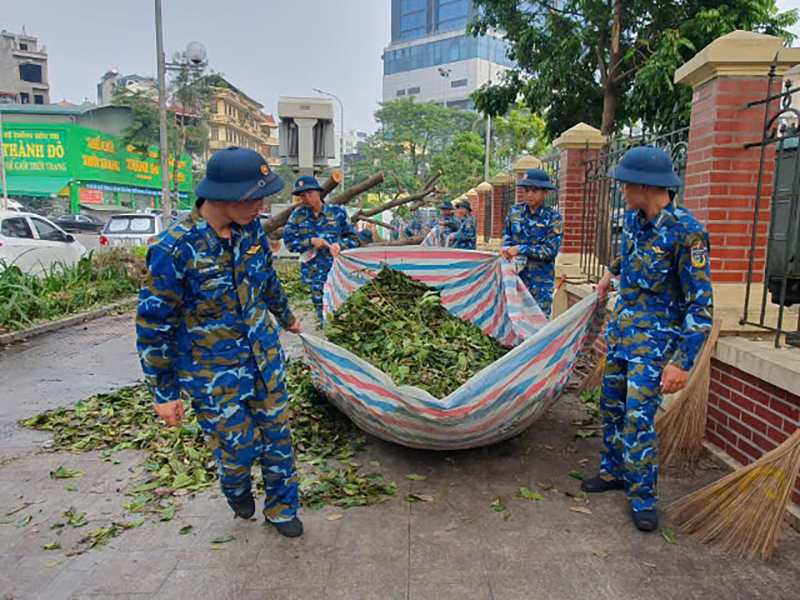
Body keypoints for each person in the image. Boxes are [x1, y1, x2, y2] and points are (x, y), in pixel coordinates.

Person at [136, 147, 304, 538]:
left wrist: (287, 317)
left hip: (264, 359)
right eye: (256, 196)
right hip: (212, 374)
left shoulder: (251, 234)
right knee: (239, 449)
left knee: (278, 439)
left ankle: (282, 509)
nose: (263, 206)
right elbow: (153, 325)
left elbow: (267, 282)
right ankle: (235, 486)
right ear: (223, 194)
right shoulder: (174, 248)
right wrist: (164, 393)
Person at [583, 146, 714, 532]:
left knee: (638, 420)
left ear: (645, 184)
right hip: (624, 337)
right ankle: (614, 472)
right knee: (611, 409)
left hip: (655, 349)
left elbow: (701, 306)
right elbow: (629, 258)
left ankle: (643, 497)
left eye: (625, 184)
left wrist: (681, 362)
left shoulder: (687, 233)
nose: (621, 190)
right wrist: (608, 276)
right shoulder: (637, 220)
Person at [283, 176, 360, 322]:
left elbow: (354, 239)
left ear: (318, 192)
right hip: (314, 274)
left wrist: (340, 245)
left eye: (310, 193)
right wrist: (310, 241)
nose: (307, 198)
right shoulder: (297, 216)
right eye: (303, 195)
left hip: (338, 272)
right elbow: (289, 243)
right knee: (322, 314)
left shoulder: (337, 213)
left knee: (343, 311)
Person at [500, 169, 563, 318]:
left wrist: (521, 249)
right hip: (515, 279)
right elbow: (507, 235)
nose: (529, 195)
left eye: (535, 191)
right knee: (513, 320)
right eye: (526, 190)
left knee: (538, 324)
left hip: (539, 283)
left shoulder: (554, 218)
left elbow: (550, 251)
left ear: (545, 192)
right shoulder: (515, 212)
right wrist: (506, 249)